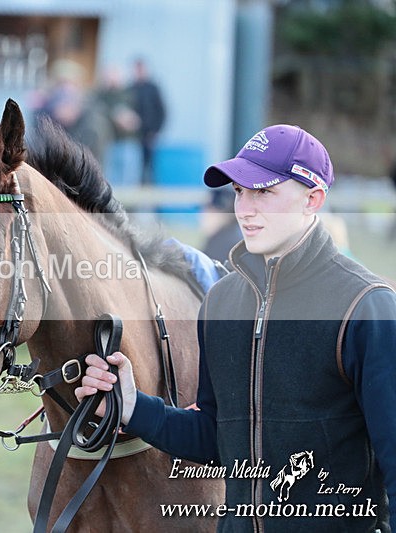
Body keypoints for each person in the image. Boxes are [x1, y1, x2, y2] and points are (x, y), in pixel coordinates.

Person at [76, 125, 396, 532]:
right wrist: (133, 406)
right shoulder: (221, 304)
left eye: (264, 192)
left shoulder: (367, 307)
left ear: (312, 199)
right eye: (239, 192)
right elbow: (217, 437)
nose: (244, 208)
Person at [128, 58, 165, 185]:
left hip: (149, 135)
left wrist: (155, 131)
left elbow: (162, 111)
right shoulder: (131, 88)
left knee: (150, 167)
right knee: (134, 167)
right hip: (134, 136)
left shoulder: (153, 88)